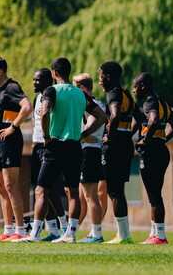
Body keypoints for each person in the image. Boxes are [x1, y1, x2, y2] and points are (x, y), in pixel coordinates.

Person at [16, 58, 105, 243]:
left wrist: (47, 137)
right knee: (72, 192)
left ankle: (34, 234)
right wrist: (84, 133)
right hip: (75, 147)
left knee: (42, 190)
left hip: (55, 146)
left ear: (54, 72)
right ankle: (70, 234)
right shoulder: (80, 94)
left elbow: (46, 111)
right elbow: (101, 116)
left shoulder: (51, 90)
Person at [133, 72, 173, 245]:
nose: (134, 90)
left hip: (152, 151)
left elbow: (153, 121)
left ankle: (160, 236)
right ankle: (155, 234)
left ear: (143, 86)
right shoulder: (162, 102)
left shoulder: (150, 103)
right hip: (161, 150)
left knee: (153, 195)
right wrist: (163, 139)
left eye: (135, 86)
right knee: (155, 194)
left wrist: (146, 141)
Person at [0, 56, 32, 241]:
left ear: (0, 71)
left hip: (9, 141)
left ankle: (20, 231)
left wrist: (13, 127)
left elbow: (27, 107)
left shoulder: (12, 87)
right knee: (0, 187)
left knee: (11, 185)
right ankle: (7, 230)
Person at [98, 61, 141, 244]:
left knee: (114, 191)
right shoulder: (126, 94)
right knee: (118, 191)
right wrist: (127, 134)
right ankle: (123, 234)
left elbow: (114, 116)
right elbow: (140, 118)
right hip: (125, 145)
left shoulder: (113, 94)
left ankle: (123, 236)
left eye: (100, 77)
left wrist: (110, 135)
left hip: (114, 147)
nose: (99, 82)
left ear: (108, 76)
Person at [25, 69, 64, 240]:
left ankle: (62, 225)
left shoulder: (53, 95)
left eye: (38, 80)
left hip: (50, 146)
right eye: (33, 80)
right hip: (37, 145)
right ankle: (53, 230)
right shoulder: (37, 98)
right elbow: (35, 120)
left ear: (49, 80)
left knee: (49, 189)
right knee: (40, 189)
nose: (34, 82)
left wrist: (48, 137)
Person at [73, 73, 106, 243]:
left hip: (89, 151)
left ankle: (96, 234)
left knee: (90, 195)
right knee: (87, 195)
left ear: (82, 88)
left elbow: (94, 120)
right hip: (92, 151)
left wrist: (83, 134)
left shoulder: (92, 106)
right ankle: (91, 232)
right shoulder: (98, 104)